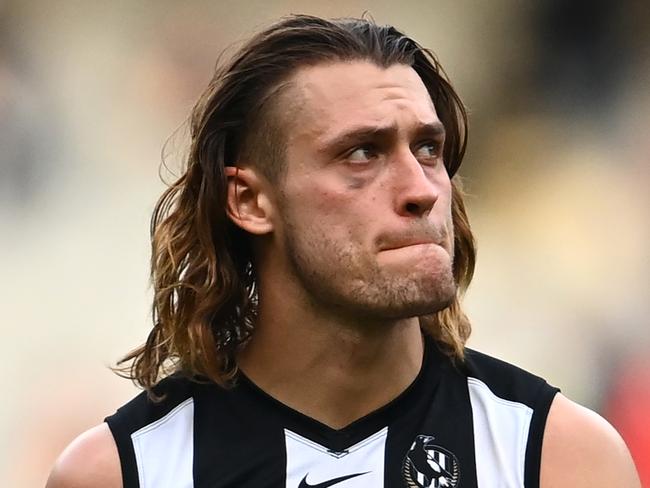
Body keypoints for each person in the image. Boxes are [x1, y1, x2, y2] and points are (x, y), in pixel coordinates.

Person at [46, 15, 640, 488]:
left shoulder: (558, 457)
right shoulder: (125, 471)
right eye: (362, 153)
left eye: (429, 149)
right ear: (250, 200)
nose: (421, 190)